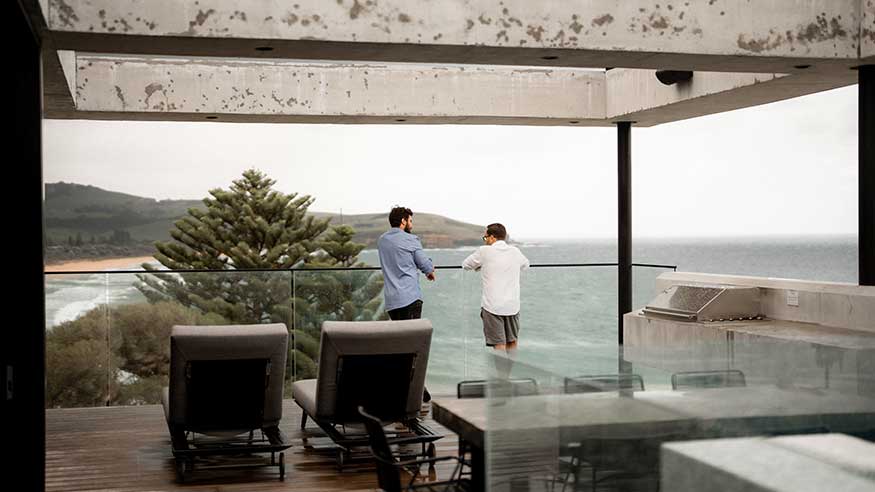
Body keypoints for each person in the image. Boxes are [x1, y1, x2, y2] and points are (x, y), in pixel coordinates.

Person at [378, 206, 435, 402]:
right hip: (410, 298)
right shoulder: (410, 239)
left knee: (400, 346)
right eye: (410, 220)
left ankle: (411, 390)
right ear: (403, 221)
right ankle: (415, 392)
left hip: (392, 301)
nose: (411, 224)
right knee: (413, 347)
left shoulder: (382, 240)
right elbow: (424, 264)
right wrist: (430, 271)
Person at [462, 223, 530, 352]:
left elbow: (465, 265)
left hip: (492, 306)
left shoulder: (484, 251)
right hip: (512, 305)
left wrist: (481, 266)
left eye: (485, 237)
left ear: (492, 237)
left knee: (499, 343)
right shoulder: (515, 251)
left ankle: (501, 367)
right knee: (512, 340)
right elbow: (526, 265)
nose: (485, 240)